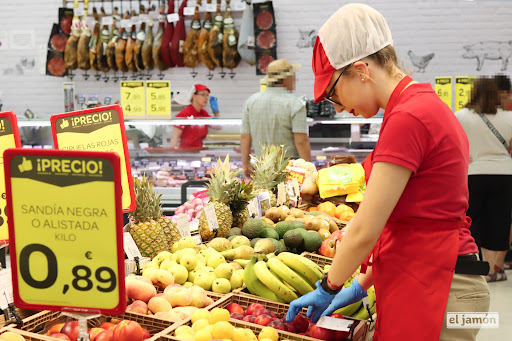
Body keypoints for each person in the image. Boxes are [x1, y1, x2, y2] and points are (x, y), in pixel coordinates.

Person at [285, 4, 490, 341]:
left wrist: (328, 285)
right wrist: (361, 284)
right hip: (431, 276)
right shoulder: (413, 106)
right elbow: (411, 211)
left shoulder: (409, 117)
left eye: (333, 92)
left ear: (361, 70)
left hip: (440, 285)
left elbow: (366, 226)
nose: (336, 107)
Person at [455, 75, 512, 282]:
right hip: (504, 175)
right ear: (496, 94)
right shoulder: (508, 117)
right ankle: (492, 270)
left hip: (473, 174)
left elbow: (451, 143)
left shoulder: (460, 116)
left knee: (472, 220)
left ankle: (476, 266)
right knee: (499, 221)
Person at [241, 59, 311, 178]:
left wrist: (245, 163)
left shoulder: (251, 101)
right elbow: (301, 141)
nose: (295, 80)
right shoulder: (295, 103)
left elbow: (245, 137)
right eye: (292, 77)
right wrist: (309, 169)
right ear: (284, 79)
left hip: (262, 168)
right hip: (289, 170)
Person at [170, 84, 220, 149]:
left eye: (207, 95)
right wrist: (174, 155)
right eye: (203, 95)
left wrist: (216, 112)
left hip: (199, 151)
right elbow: (174, 137)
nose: (206, 98)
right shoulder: (185, 113)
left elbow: (218, 126)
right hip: (186, 153)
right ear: (194, 96)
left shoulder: (203, 113)